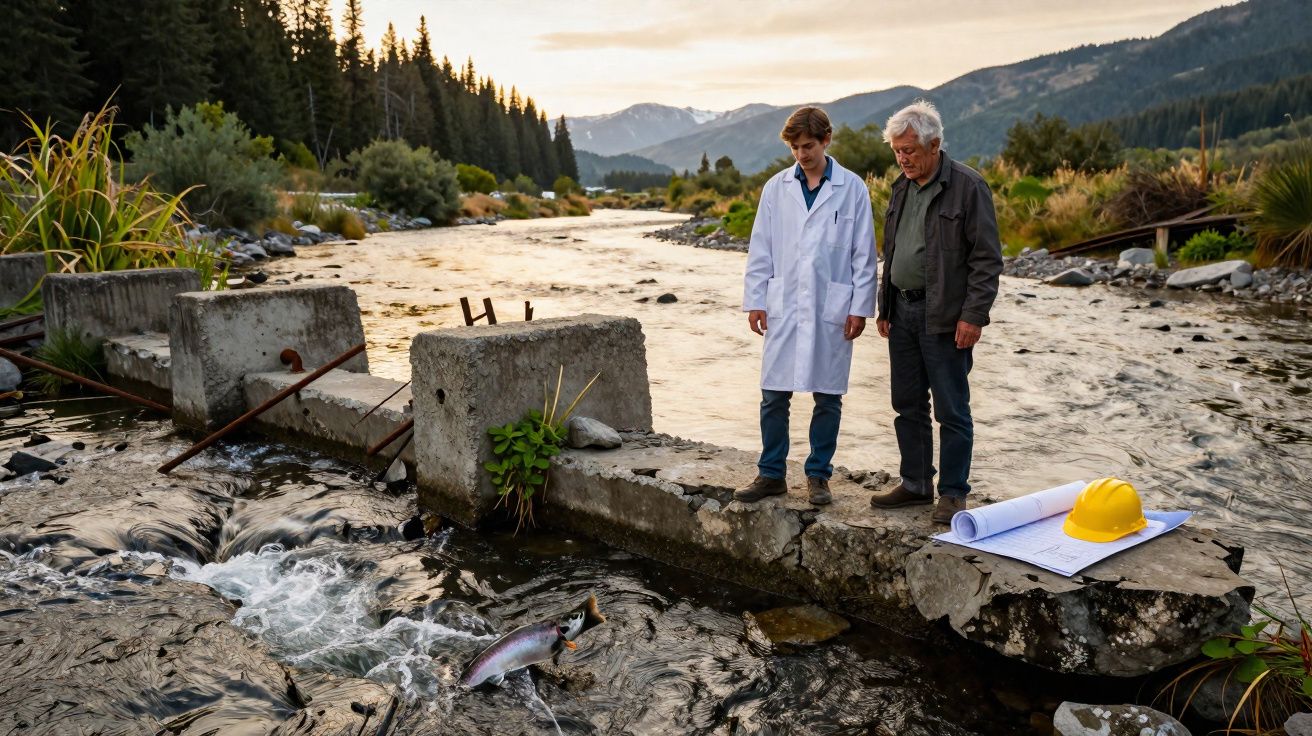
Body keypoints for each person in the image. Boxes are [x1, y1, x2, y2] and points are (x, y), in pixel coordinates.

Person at [868, 100, 1003, 525]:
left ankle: (953, 493)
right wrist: (884, 305)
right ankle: (915, 484)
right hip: (902, 309)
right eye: (897, 151)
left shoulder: (968, 186)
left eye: (909, 150)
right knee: (906, 402)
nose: (902, 158)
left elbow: (987, 259)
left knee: (951, 408)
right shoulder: (901, 187)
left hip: (945, 315)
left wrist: (973, 316)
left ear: (934, 144)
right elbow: (893, 251)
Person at [736, 106, 878, 506]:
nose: (802, 154)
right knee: (773, 395)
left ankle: (818, 476)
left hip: (831, 305)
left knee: (827, 396)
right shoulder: (775, 188)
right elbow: (761, 248)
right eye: (795, 148)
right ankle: (771, 474)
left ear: (826, 140)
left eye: (809, 146)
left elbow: (863, 254)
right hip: (784, 302)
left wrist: (859, 308)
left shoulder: (852, 189)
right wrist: (756, 300)